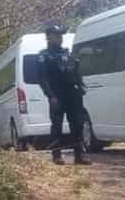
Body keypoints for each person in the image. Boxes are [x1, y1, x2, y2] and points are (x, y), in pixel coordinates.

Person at [38, 24, 90, 165]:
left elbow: (75, 72)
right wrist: (51, 96)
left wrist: (80, 84)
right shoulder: (44, 56)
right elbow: (42, 78)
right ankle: (57, 155)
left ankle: (79, 155)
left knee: (77, 124)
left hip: (73, 94)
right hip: (57, 94)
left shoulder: (67, 53)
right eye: (56, 35)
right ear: (48, 37)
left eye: (61, 35)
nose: (60, 38)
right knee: (57, 125)